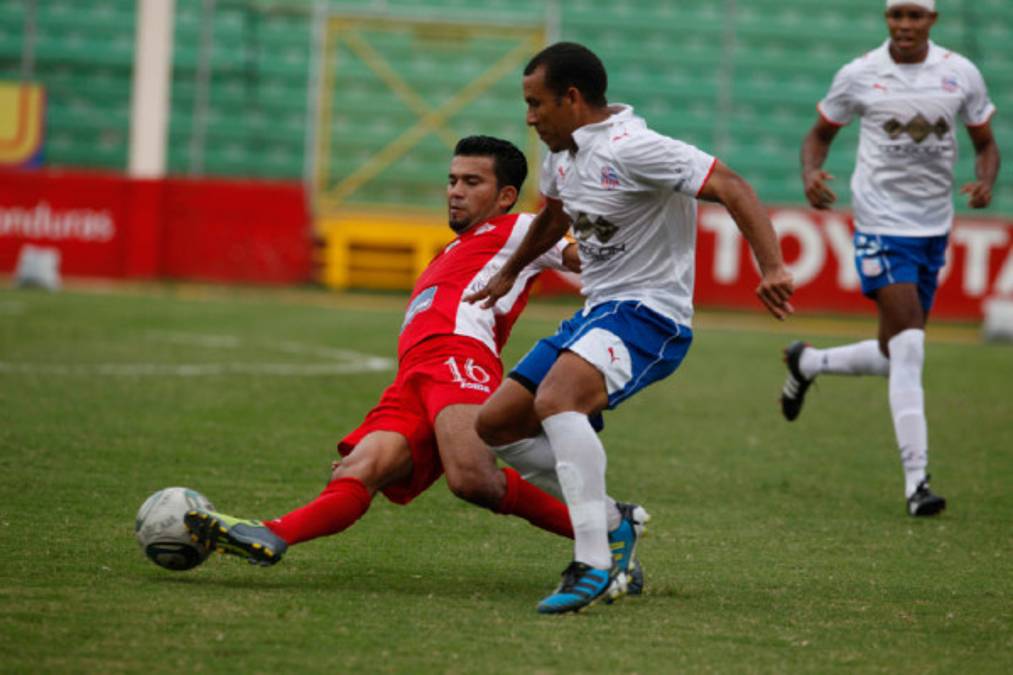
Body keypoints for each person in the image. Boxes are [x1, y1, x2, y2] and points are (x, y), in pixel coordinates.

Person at [184, 135, 648, 594]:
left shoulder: (524, 228)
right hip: (413, 376)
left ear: (505, 196)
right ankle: (272, 533)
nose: (455, 191)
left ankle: (606, 531)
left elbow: (585, 257)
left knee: (472, 478)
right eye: (451, 180)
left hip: (459, 357)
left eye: (471, 181)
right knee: (358, 469)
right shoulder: (452, 249)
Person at [466, 43, 795, 614]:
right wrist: (510, 271)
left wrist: (772, 267)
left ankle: (591, 562)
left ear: (572, 98)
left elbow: (733, 186)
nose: (529, 117)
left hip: (651, 313)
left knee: (558, 399)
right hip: (598, 312)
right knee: (495, 425)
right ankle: (614, 521)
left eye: (536, 103)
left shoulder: (636, 148)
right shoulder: (561, 153)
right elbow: (554, 215)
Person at [782, 0, 999, 516]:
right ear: (887, 20)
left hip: (933, 228)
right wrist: (811, 173)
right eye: (896, 15)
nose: (905, 25)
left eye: (915, 16)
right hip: (879, 224)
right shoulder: (859, 75)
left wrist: (986, 181)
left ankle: (808, 362)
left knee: (893, 351)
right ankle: (917, 482)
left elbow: (986, 143)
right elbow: (818, 135)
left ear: (933, 20)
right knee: (910, 349)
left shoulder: (960, 74)